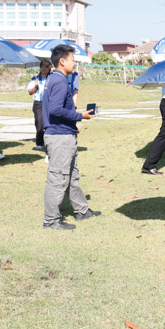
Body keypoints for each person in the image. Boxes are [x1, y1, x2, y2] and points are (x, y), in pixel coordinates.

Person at [42, 44, 100, 230]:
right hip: (59, 137)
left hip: (65, 133)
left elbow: (57, 110)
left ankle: (81, 210)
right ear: (62, 61)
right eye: (73, 60)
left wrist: (73, 124)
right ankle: (51, 221)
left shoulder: (56, 79)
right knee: (58, 179)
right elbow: (55, 110)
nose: (75, 63)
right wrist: (80, 116)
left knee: (72, 176)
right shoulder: (59, 81)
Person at [27, 59, 52, 152]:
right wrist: (35, 86)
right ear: (40, 67)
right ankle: (39, 142)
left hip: (49, 103)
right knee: (39, 123)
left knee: (49, 123)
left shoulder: (52, 78)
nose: (44, 68)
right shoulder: (35, 79)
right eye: (42, 66)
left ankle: (49, 141)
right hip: (39, 103)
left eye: (47, 66)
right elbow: (30, 92)